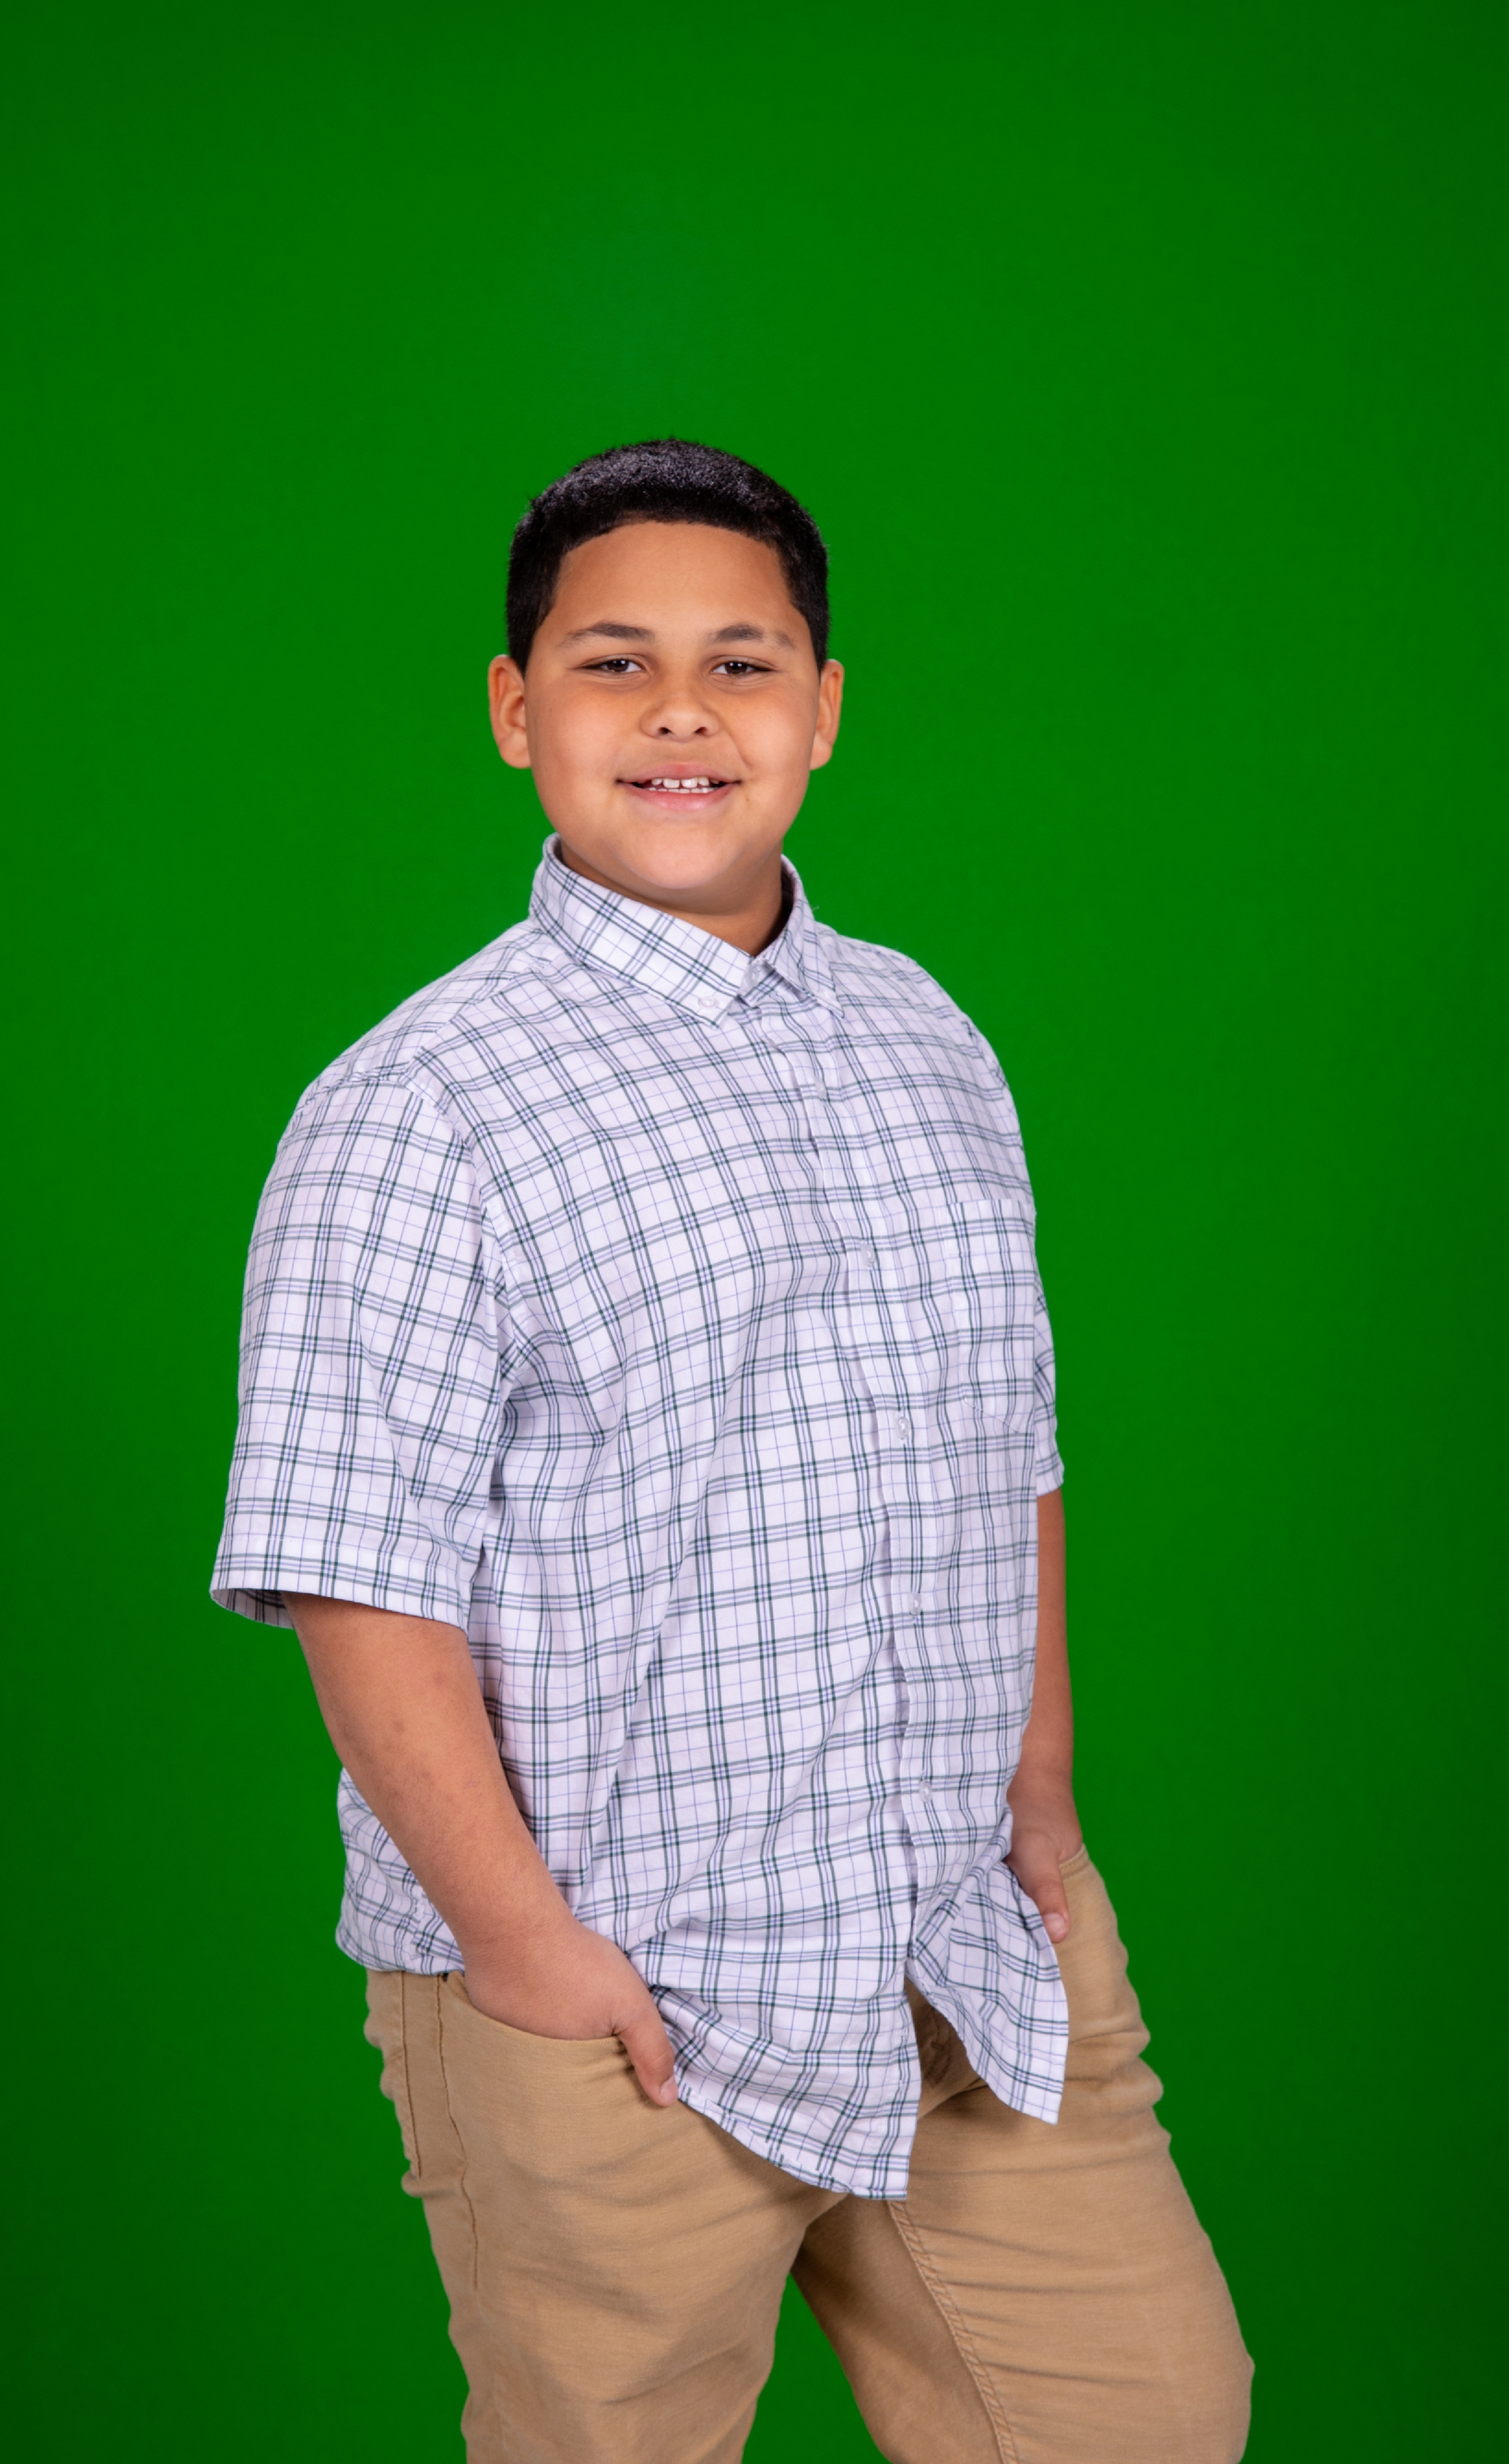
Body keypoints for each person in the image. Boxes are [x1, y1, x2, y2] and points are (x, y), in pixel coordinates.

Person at [211, 438, 1251, 2463]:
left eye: (741, 663)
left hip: (958, 1944)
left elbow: (1010, 1451)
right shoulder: (422, 1104)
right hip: (622, 1988)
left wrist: (1038, 1802)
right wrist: (527, 1951)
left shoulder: (926, 1035)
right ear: (516, 711)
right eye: (614, 663)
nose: (682, 712)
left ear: (822, 709)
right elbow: (357, 1573)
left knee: (1151, 2417)